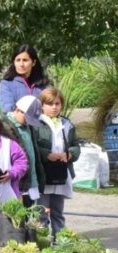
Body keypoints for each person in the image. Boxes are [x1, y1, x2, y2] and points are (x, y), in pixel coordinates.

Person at [36, 88, 80, 236]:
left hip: (60, 173)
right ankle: (41, 244)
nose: (54, 107)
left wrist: (69, 155)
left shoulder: (67, 124)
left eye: (57, 103)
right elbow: (33, 147)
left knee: (58, 212)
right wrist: (47, 155)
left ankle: (60, 242)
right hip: (43, 174)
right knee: (41, 213)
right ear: (42, 105)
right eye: (49, 104)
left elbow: (75, 146)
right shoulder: (36, 123)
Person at [4, 95, 45, 208]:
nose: (28, 122)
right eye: (27, 118)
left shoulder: (28, 127)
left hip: (31, 182)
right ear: (17, 110)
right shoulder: (5, 126)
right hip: (18, 183)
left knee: (31, 216)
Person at [0, 44, 49, 113]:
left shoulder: (44, 84)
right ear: (14, 62)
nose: (21, 64)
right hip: (16, 122)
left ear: (33, 62)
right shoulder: (7, 84)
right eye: (18, 60)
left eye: (25, 60)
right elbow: (7, 108)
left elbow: (51, 104)